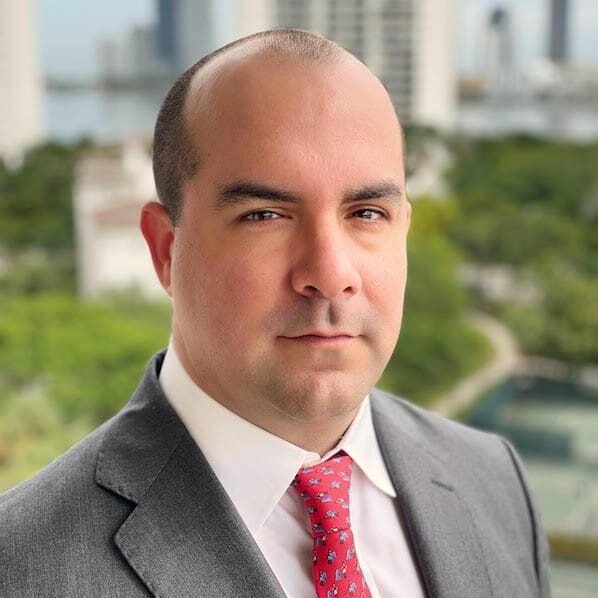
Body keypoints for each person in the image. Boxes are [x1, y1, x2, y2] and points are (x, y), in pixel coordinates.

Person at [0, 29, 550, 597]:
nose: (330, 272)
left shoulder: (494, 480)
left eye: (366, 212)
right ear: (166, 250)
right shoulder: (20, 567)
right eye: (265, 215)